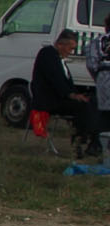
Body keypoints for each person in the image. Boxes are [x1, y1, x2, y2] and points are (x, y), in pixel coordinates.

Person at [31, 29, 100, 158]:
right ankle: (80, 139)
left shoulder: (59, 59)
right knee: (82, 107)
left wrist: (79, 94)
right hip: (49, 100)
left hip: (61, 98)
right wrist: (71, 95)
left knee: (93, 102)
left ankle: (94, 141)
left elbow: (67, 84)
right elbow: (55, 79)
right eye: (70, 48)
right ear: (60, 45)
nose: (71, 52)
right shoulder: (47, 54)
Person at [86, 16, 110, 156]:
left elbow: (91, 63)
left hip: (105, 78)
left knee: (105, 114)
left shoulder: (99, 41)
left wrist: (98, 77)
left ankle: (97, 145)